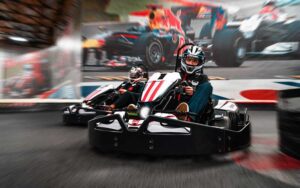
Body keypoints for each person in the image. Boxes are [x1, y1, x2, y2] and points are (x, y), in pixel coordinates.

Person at [175, 45, 213, 122]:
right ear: (184, 59)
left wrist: (194, 92)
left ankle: (187, 117)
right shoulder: (175, 75)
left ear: (200, 63)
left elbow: (206, 98)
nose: (191, 63)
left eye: (194, 61)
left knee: (207, 86)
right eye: (189, 59)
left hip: (194, 114)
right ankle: (149, 113)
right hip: (172, 108)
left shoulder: (202, 78)